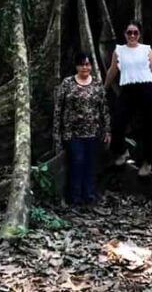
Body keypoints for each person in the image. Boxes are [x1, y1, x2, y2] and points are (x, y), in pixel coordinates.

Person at [104, 20, 152, 176]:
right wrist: (104, 87)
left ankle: (147, 162)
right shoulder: (119, 51)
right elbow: (112, 70)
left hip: (148, 87)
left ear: (139, 34)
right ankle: (121, 151)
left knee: (147, 127)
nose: (132, 35)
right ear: (124, 34)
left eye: (135, 32)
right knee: (118, 121)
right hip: (128, 88)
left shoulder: (146, 50)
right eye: (129, 32)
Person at [53, 52, 111, 205]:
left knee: (90, 164)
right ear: (76, 66)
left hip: (93, 132)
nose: (85, 67)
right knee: (77, 162)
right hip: (72, 132)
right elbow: (59, 108)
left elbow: (103, 108)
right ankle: (75, 197)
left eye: (87, 64)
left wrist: (106, 130)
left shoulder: (97, 84)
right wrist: (57, 132)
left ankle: (89, 195)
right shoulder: (67, 83)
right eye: (82, 64)